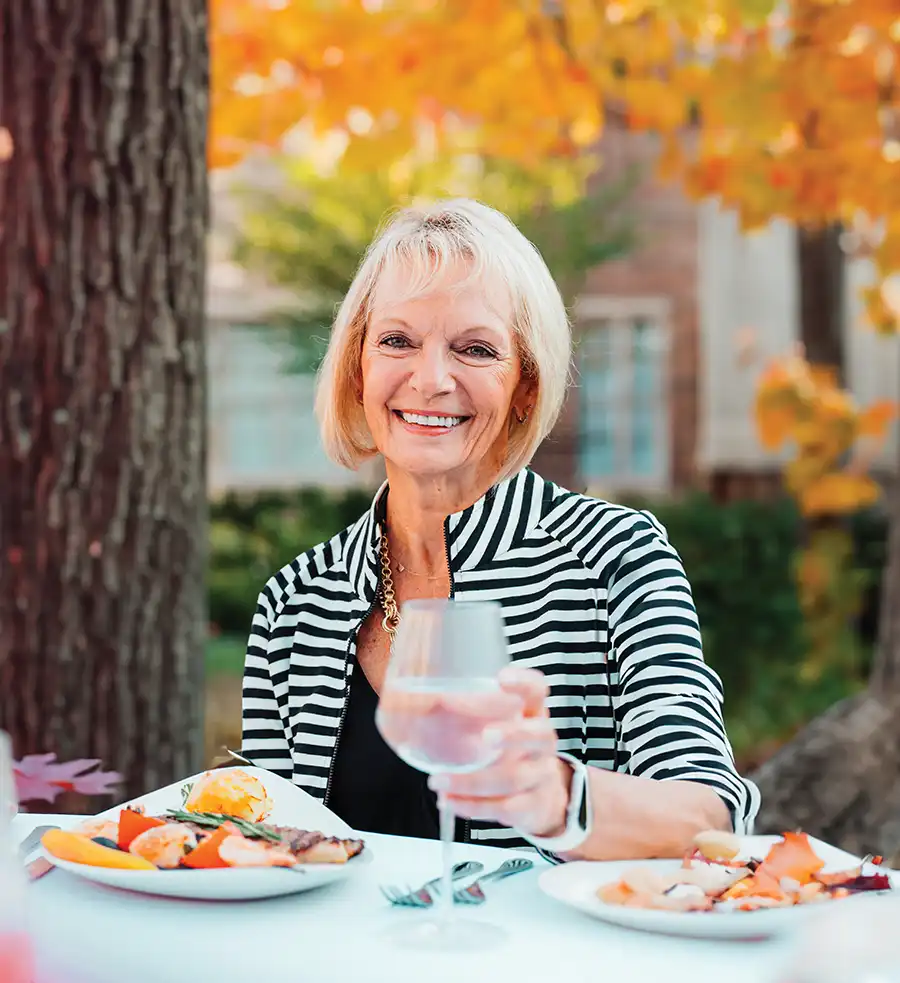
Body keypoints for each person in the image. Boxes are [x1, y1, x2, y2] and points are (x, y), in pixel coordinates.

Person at [240, 198, 760, 861]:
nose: (430, 380)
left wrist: (556, 796)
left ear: (523, 385)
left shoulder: (615, 558)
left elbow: (710, 815)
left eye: (475, 348)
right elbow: (270, 853)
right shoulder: (296, 601)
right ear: (358, 368)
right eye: (397, 340)